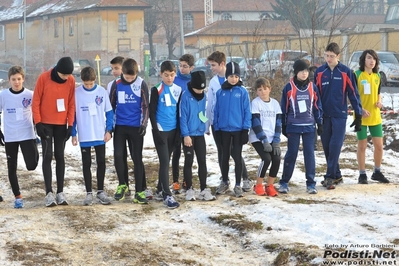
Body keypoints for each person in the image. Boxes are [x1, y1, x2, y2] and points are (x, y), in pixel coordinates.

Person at [314, 42, 362, 190]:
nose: (328, 59)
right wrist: (316, 116)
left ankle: (329, 177)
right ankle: (337, 174)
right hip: (324, 116)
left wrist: (358, 115)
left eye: (332, 56)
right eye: (326, 56)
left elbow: (353, 94)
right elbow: (315, 95)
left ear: (338, 56)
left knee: (335, 146)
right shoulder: (320, 72)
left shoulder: (346, 72)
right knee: (327, 147)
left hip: (340, 115)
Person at [204, 51, 251, 192]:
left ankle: (243, 180)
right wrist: (210, 125)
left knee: (236, 154)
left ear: (222, 64)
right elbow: (212, 106)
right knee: (223, 154)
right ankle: (224, 181)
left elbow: (246, 111)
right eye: (231, 76)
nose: (211, 67)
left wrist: (245, 129)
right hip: (221, 126)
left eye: (213, 65)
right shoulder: (214, 84)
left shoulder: (242, 91)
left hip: (237, 128)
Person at [32, 56, 76, 207]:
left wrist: (70, 125)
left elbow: (71, 103)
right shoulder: (44, 78)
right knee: (47, 155)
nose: (66, 77)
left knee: (60, 155)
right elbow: (36, 101)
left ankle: (60, 192)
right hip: (45, 123)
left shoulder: (70, 81)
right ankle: (49, 192)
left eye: (68, 75)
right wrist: (38, 123)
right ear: (57, 70)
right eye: (64, 75)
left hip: (60, 124)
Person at [279, 60, 323, 194]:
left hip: (309, 127)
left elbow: (317, 106)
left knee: (309, 155)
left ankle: (310, 183)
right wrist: (284, 125)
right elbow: (284, 108)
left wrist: (319, 123)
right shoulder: (289, 88)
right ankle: (284, 182)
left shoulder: (312, 87)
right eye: (301, 71)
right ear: (296, 72)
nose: (304, 74)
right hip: (293, 126)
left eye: (306, 71)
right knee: (291, 154)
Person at [71, 66, 114, 206]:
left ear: (95, 80)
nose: (88, 86)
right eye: (86, 83)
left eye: (91, 83)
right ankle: (89, 192)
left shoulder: (101, 91)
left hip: (99, 135)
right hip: (85, 135)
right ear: (82, 81)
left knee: (101, 162)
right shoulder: (76, 93)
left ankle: (100, 191)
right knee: (86, 164)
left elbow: (109, 112)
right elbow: (73, 115)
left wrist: (109, 130)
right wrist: (73, 133)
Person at [109, 58, 149, 204]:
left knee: (137, 158)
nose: (130, 79)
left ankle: (139, 191)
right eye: (127, 77)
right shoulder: (116, 84)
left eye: (132, 77)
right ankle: (122, 184)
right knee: (119, 156)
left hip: (135, 127)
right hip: (120, 126)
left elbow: (145, 106)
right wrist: (109, 127)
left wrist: (143, 124)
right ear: (122, 72)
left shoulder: (141, 84)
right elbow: (111, 105)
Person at [0, 66, 39, 208]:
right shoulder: (3, 95)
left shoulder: (30, 94)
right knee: (12, 167)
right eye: (13, 79)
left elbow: (37, 111)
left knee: (32, 165)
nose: (16, 82)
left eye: (18, 79)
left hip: (27, 135)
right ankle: (18, 196)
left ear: (23, 79)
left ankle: (35, 152)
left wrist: (38, 126)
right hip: (10, 137)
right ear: (9, 80)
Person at [149, 60, 182, 209]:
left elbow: (179, 112)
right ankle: (167, 195)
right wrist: (155, 130)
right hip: (161, 130)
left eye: (172, 75)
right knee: (164, 162)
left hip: (173, 130)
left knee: (167, 160)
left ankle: (158, 189)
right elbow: (152, 111)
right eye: (166, 75)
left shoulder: (178, 90)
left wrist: (178, 133)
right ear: (161, 74)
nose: (169, 78)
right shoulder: (157, 89)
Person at [354, 49, 389, 184]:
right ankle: (362, 174)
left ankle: (377, 171)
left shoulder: (377, 76)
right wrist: (360, 109)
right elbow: (352, 95)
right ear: (364, 60)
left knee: (379, 145)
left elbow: (378, 92)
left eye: (374, 59)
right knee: (362, 145)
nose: (372, 61)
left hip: (375, 116)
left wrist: (380, 101)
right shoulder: (357, 75)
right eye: (369, 58)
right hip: (361, 116)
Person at [179, 71, 216, 201]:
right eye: (197, 89)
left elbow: (201, 114)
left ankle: (203, 189)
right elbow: (182, 117)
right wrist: (186, 135)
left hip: (199, 133)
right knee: (189, 161)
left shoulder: (204, 96)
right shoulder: (185, 96)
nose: (200, 91)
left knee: (202, 161)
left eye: (202, 89)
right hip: (188, 134)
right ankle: (189, 189)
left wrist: (205, 126)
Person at [249, 77, 282, 197]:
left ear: (269, 89)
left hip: (272, 137)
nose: (262, 92)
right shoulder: (255, 103)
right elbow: (256, 124)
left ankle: (270, 185)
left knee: (277, 159)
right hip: (258, 138)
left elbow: (278, 123)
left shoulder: (275, 104)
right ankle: (258, 185)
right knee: (266, 159)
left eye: (265, 89)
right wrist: (264, 140)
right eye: (259, 90)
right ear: (256, 91)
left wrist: (276, 141)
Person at [171, 53, 195, 193]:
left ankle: (187, 180)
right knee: (176, 153)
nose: (182, 69)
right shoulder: (175, 80)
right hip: (175, 122)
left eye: (185, 66)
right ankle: (175, 181)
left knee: (188, 154)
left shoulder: (193, 81)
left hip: (188, 122)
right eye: (180, 66)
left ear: (191, 67)